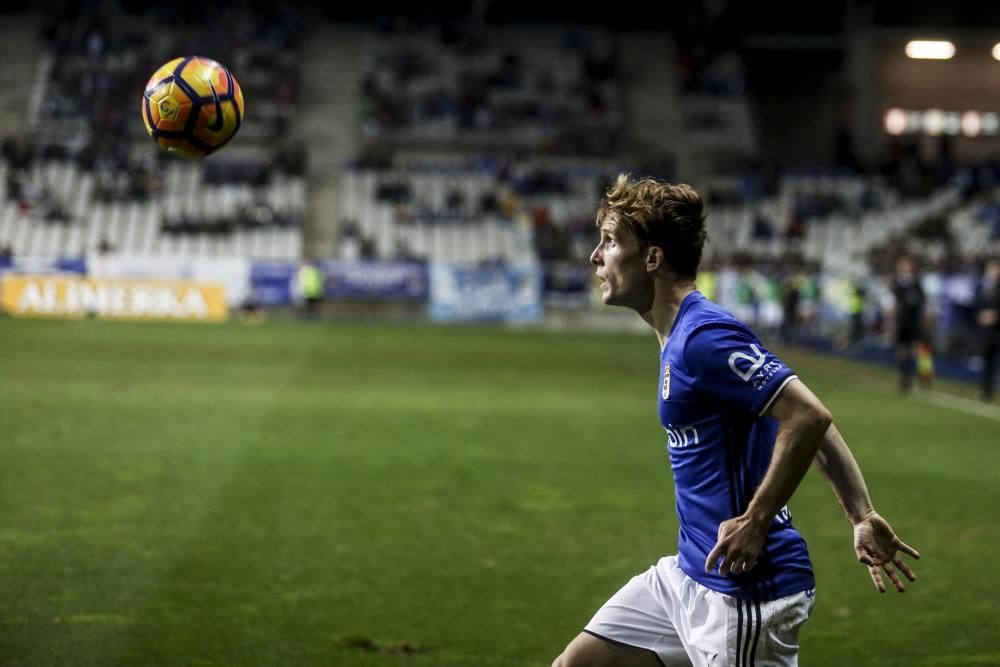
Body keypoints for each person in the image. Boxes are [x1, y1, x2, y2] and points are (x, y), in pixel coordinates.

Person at [553, 175, 919, 667]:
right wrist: (861, 515)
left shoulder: (702, 337)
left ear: (653, 258)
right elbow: (809, 415)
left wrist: (757, 518)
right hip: (686, 575)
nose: (596, 256)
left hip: (743, 594)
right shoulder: (681, 333)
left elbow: (809, 417)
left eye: (612, 242)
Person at [889, 256, 927, 392]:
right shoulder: (897, 284)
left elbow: (922, 303)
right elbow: (893, 304)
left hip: (914, 323)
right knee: (902, 351)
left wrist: (923, 320)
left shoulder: (917, 284)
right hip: (902, 322)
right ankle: (905, 379)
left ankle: (923, 377)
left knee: (918, 351)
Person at [976, 257, 1000, 401]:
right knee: (987, 361)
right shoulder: (984, 287)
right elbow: (976, 305)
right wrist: (980, 316)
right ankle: (985, 391)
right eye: (992, 268)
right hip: (987, 332)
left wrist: (996, 316)